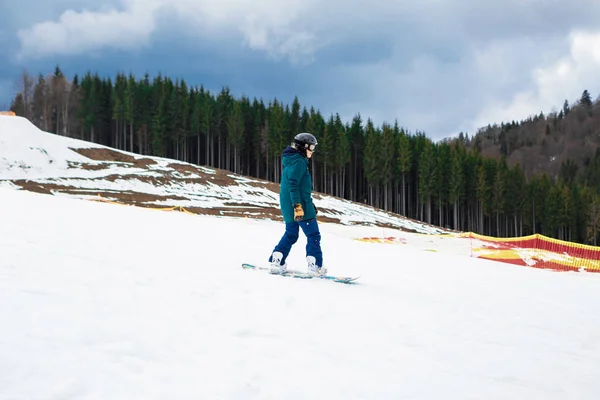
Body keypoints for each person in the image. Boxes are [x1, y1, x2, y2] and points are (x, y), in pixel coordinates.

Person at [268, 132, 326, 276]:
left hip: (289, 206)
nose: (312, 151)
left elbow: (295, 186)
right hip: (299, 205)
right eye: (311, 147)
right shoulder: (299, 161)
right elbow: (294, 185)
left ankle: (277, 260)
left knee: (291, 234)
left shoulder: (291, 161)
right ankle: (315, 266)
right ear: (303, 147)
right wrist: (298, 207)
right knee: (313, 235)